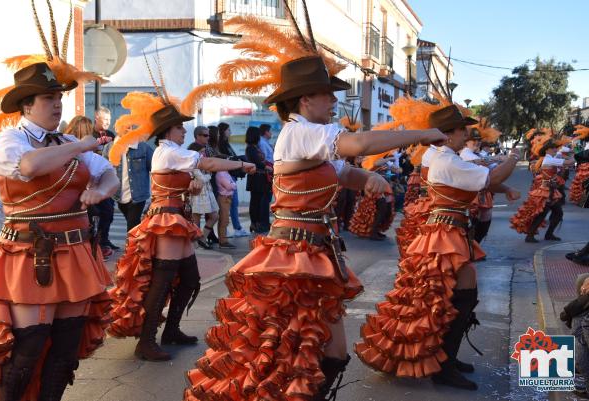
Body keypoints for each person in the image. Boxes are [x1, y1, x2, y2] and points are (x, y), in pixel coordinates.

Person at [179, 5, 446, 399]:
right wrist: (421, 133)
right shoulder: (299, 131)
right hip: (292, 256)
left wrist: (369, 177)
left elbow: (344, 171)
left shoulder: (311, 137)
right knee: (282, 358)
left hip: (318, 254)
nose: (334, 101)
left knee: (330, 355)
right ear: (305, 100)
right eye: (327, 94)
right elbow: (359, 144)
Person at [0, 9, 118, 399]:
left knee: (65, 351)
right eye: (49, 99)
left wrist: (100, 191)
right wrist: (81, 144)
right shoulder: (11, 139)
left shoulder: (65, 144)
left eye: (59, 98)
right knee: (28, 347)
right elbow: (29, 167)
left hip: (76, 252)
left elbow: (106, 171)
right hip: (31, 253)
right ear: (26, 106)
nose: (57, 105)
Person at [355, 104, 519, 391]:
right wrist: (514, 157)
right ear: (449, 134)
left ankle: (445, 359)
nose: (467, 134)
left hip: (450, 230)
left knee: (460, 296)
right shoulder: (447, 160)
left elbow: (484, 182)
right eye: (462, 130)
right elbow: (491, 179)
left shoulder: (448, 158)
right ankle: (442, 365)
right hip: (445, 233)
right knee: (447, 298)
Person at [106, 88, 255, 362]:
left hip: (175, 219)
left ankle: (171, 330)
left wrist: (192, 187)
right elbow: (207, 162)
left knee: (189, 279)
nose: (184, 132)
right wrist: (241, 164)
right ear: (167, 131)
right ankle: (146, 341)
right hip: (167, 220)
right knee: (162, 281)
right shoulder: (167, 152)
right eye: (179, 128)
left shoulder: (172, 152)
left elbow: (187, 181)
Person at [511, 137, 575, 242]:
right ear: (547, 150)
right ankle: (532, 235)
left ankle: (546, 234)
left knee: (555, 212)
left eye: (556, 148)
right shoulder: (549, 159)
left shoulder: (550, 158)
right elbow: (570, 162)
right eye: (553, 148)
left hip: (550, 190)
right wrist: (572, 155)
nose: (555, 149)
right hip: (546, 191)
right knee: (544, 213)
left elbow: (565, 164)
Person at [103, 132, 154, 233]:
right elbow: (103, 170)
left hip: (138, 195)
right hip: (118, 195)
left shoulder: (143, 147)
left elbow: (154, 168)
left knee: (132, 224)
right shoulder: (109, 148)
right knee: (133, 224)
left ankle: (131, 247)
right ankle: (139, 241)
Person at [90, 106, 118, 254]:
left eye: (109, 119)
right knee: (95, 212)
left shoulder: (111, 135)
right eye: (105, 119)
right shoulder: (90, 134)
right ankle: (96, 241)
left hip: (107, 178)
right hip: (93, 181)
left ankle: (105, 240)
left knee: (109, 212)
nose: (108, 122)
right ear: (97, 118)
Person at [217, 122, 250, 237]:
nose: (230, 132)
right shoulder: (221, 145)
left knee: (233, 203)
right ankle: (234, 228)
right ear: (223, 131)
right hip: (226, 177)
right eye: (228, 130)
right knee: (230, 204)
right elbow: (225, 160)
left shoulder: (226, 144)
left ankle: (235, 228)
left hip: (231, 176)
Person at [188, 141, 219, 250]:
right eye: (201, 152)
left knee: (214, 216)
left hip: (207, 192)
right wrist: (209, 174)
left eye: (203, 152)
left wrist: (208, 172)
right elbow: (202, 178)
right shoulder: (193, 163)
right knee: (195, 219)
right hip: (198, 193)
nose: (203, 154)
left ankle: (202, 238)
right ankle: (195, 244)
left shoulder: (201, 162)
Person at [245, 126, 272, 233]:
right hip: (256, 178)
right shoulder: (251, 148)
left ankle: (260, 223)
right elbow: (256, 162)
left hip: (260, 178)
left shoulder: (255, 147)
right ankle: (255, 223)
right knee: (256, 202)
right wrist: (266, 167)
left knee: (259, 201)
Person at [215, 168, 237, 248]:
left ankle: (223, 240)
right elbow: (229, 186)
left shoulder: (226, 173)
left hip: (228, 198)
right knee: (224, 220)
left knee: (225, 220)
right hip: (224, 198)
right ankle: (223, 241)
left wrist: (232, 184)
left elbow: (233, 185)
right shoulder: (221, 173)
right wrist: (233, 184)